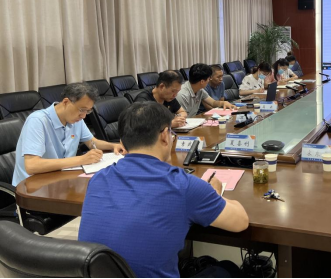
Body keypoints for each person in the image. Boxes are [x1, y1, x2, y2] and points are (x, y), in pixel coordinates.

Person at [79, 102, 249, 278]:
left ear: (122, 142)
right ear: (164, 136)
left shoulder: (98, 178)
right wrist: (213, 192)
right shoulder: (183, 185)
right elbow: (240, 222)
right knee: (228, 268)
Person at [12, 83, 126, 186]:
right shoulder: (38, 121)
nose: (84, 116)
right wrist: (81, 159)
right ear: (66, 102)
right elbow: (32, 165)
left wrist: (113, 146)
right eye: (82, 110)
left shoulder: (76, 120)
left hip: (60, 180)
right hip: (32, 187)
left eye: (88, 111)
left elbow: (92, 142)